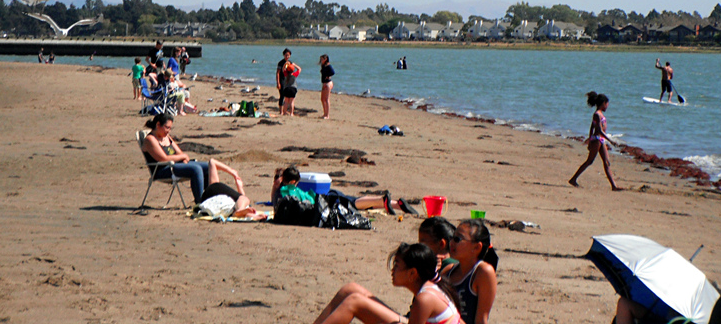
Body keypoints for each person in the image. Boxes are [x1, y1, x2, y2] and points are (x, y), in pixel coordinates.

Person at [313, 242, 463, 324]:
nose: (393, 270)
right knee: (350, 290)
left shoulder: (424, 299)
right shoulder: (431, 285)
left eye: (397, 265)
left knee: (354, 302)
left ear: (412, 273)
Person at [141, 113, 248, 204]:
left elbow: (179, 152)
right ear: (158, 125)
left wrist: (183, 157)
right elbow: (163, 158)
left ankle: (212, 195)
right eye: (167, 127)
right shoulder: (150, 140)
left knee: (208, 166)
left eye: (170, 128)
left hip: (175, 165)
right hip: (162, 170)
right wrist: (183, 157)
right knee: (196, 169)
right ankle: (200, 201)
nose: (168, 131)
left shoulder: (166, 137)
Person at [271, 166, 417, 215]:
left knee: (354, 202)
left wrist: (275, 185)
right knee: (353, 201)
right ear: (292, 181)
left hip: (323, 200)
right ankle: (394, 203)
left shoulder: (282, 192)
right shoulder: (288, 191)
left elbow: (274, 201)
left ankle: (389, 202)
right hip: (324, 199)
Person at [441, 219, 498, 324]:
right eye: (452, 238)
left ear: (476, 247)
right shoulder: (448, 271)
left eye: (457, 239)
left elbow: (481, 320)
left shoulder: (483, 273)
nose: (452, 243)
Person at [568, 91, 622, 191]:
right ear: (603, 103)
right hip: (597, 139)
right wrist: (611, 140)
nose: (607, 107)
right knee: (589, 161)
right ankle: (573, 179)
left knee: (606, 163)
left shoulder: (599, 114)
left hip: (600, 140)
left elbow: (591, 127)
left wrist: (589, 138)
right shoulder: (597, 114)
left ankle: (614, 186)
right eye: (607, 104)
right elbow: (599, 130)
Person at [319, 54, 335, 119]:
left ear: (325, 59)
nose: (321, 60)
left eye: (322, 59)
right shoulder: (323, 66)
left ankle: (327, 115)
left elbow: (333, 72)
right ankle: (324, 113)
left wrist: (328, 76)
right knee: (322, 99)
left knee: (326, 99)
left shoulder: (328, 65)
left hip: (328, 83)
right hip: (324, 83)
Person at [276, 48, 292, 114]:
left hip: (288, 81)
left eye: (288, 55)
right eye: (286, 55)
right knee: (282, 95)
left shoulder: (290, 63)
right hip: (282, 80)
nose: (287, 56)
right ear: (284, 55)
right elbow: (278, 73)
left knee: (287, 96)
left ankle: (285, 110)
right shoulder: (280, 63)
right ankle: (281, 111)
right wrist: (278, 83)